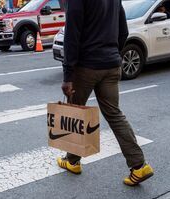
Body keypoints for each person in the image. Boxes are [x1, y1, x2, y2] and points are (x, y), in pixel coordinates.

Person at [57, 0, 154, 186]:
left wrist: (68, 75)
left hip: (86, 66)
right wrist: (111, 53)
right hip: (110, 64)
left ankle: (72, 161)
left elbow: (72, 34)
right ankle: (139, 166)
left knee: (75, 113)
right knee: (115, 114)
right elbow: (123, 30)